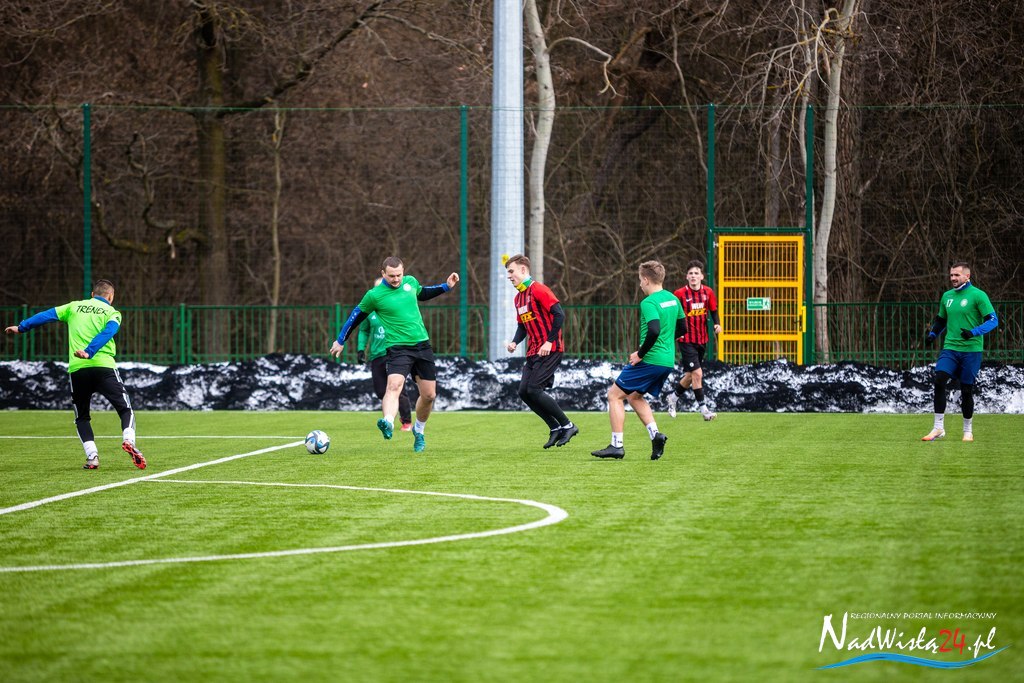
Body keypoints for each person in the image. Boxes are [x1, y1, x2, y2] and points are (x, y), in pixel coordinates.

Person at [4, 279, 146, 470]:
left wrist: (22, 327)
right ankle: (129, 441)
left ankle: (92, 457)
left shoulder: (74, 307)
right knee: (125, 409)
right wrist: (90, 351)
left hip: (78, 369)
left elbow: (46, 315)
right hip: (104, 367)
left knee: (82, 417)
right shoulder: (112, 312)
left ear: (92, 295)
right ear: (111, 297)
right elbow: (109, 332)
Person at [331, 256, 459, 453]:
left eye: (399, 275)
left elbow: (423, 293)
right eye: (391, 276)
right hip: (398, 348)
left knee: (429, 395)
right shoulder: (374, 295)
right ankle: (388, 421)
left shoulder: (410, 282)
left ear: (403, 271)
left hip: (422, 346)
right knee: (394, 386)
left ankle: (419, 431)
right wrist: (341, 340)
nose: (396, 279)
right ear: (383, 273)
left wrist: (446, 286)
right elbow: (355, 317)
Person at [592, 260, 686, 461]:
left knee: (614, 396)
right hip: (666, 361)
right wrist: (665, 343)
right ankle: (656, 436)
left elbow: (654, 330)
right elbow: (683, 328)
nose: (640, 285)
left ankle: (616, 445)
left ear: (646, 279)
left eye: (640, 280)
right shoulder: (673, 299)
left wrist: (640, 354)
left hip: (649, 359)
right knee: (634, 396)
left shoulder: (649, 302)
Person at [504, 254, 578, 449]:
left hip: (550, 349)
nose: (509, 276)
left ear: (523, 270)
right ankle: (555, 427)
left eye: (511, 271)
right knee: (524, 392)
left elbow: (559, 314)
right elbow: (522, 326)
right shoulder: (518, 298)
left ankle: (568, 425)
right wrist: (514, 342)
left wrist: (549, 341)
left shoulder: (539, 289)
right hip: (533, 351)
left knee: (534, 389)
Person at [922, 261, 998, 442]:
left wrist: (973, 332)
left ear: (967, 276)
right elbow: (941, 320)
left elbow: (993, 320)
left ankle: (968, 431)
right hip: (950, 348)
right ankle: (938, 428)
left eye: (957, 275)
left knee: (966, 390)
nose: (953, 278)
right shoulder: (947, 296)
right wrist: (933, 334)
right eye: (951, 275)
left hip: (971, 351)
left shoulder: (978, 295)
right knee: (939, 380)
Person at [357, 278, 415, 432]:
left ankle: (406, 421)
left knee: (396, 388)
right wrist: (361, 349)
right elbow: (363, 330)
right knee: (380, 391)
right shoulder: (369, 310)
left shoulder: (396, 307)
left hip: (394, 353)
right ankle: (389, 418)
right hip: (377, 355)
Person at [666, 259, 720, 421]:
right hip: (686, 339)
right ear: (686, 277)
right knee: (697, 373)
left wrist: (717, 323)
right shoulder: (679, 294)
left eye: (696, 273)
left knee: (691, 375)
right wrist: (674, 331)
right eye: (691, 273)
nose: (693, 276)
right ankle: (704, 410)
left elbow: (713, 310)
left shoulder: (708, 292)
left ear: (702, 276)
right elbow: (671, 314)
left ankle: (673, 398)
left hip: (702, 339)